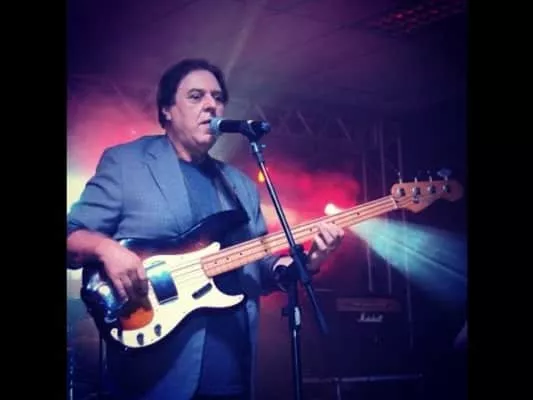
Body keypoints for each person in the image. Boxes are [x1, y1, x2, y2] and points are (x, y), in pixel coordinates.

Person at [66, 58, 345, 400]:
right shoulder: (127, 163)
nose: (211, 105)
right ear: (167, 109)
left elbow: (261, 267)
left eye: (218, 97)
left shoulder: (240, 185)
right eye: (196, 96)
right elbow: (71, 235)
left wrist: (310, 261)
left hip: (229, 372)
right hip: (151, 374)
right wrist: (106, 249)